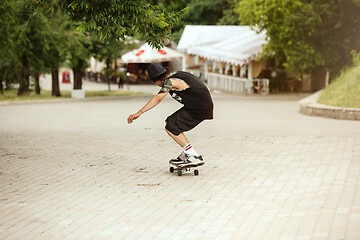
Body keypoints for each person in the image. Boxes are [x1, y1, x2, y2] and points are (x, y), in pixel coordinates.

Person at [127, 63, 214, 167]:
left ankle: (193, 156)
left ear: (157, 79)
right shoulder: (176, 74)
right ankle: (188, 153)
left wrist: (139, 112)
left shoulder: (169, 82)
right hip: (199, 105)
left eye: (155, 83)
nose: (157, 85)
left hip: (199, 107)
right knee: (170, 122)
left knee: (171, 127)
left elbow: (158, 98)